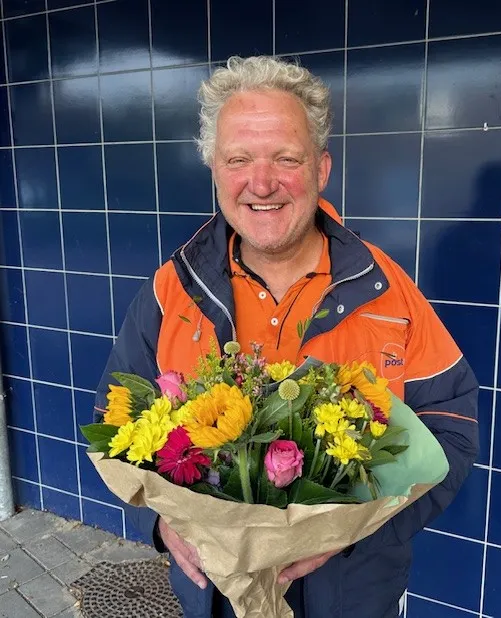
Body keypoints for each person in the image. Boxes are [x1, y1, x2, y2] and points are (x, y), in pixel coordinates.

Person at [94, 56, 479, 618]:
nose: (262, 182)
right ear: (215, 171)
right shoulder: (171, 288)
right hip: (212, 596)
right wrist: (158, 522)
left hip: (352, 594)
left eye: (286, 158)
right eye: (239, 159)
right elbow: (115, 425)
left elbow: (454, 427)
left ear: (322, 168)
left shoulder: (387, 291)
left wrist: (351, 532)